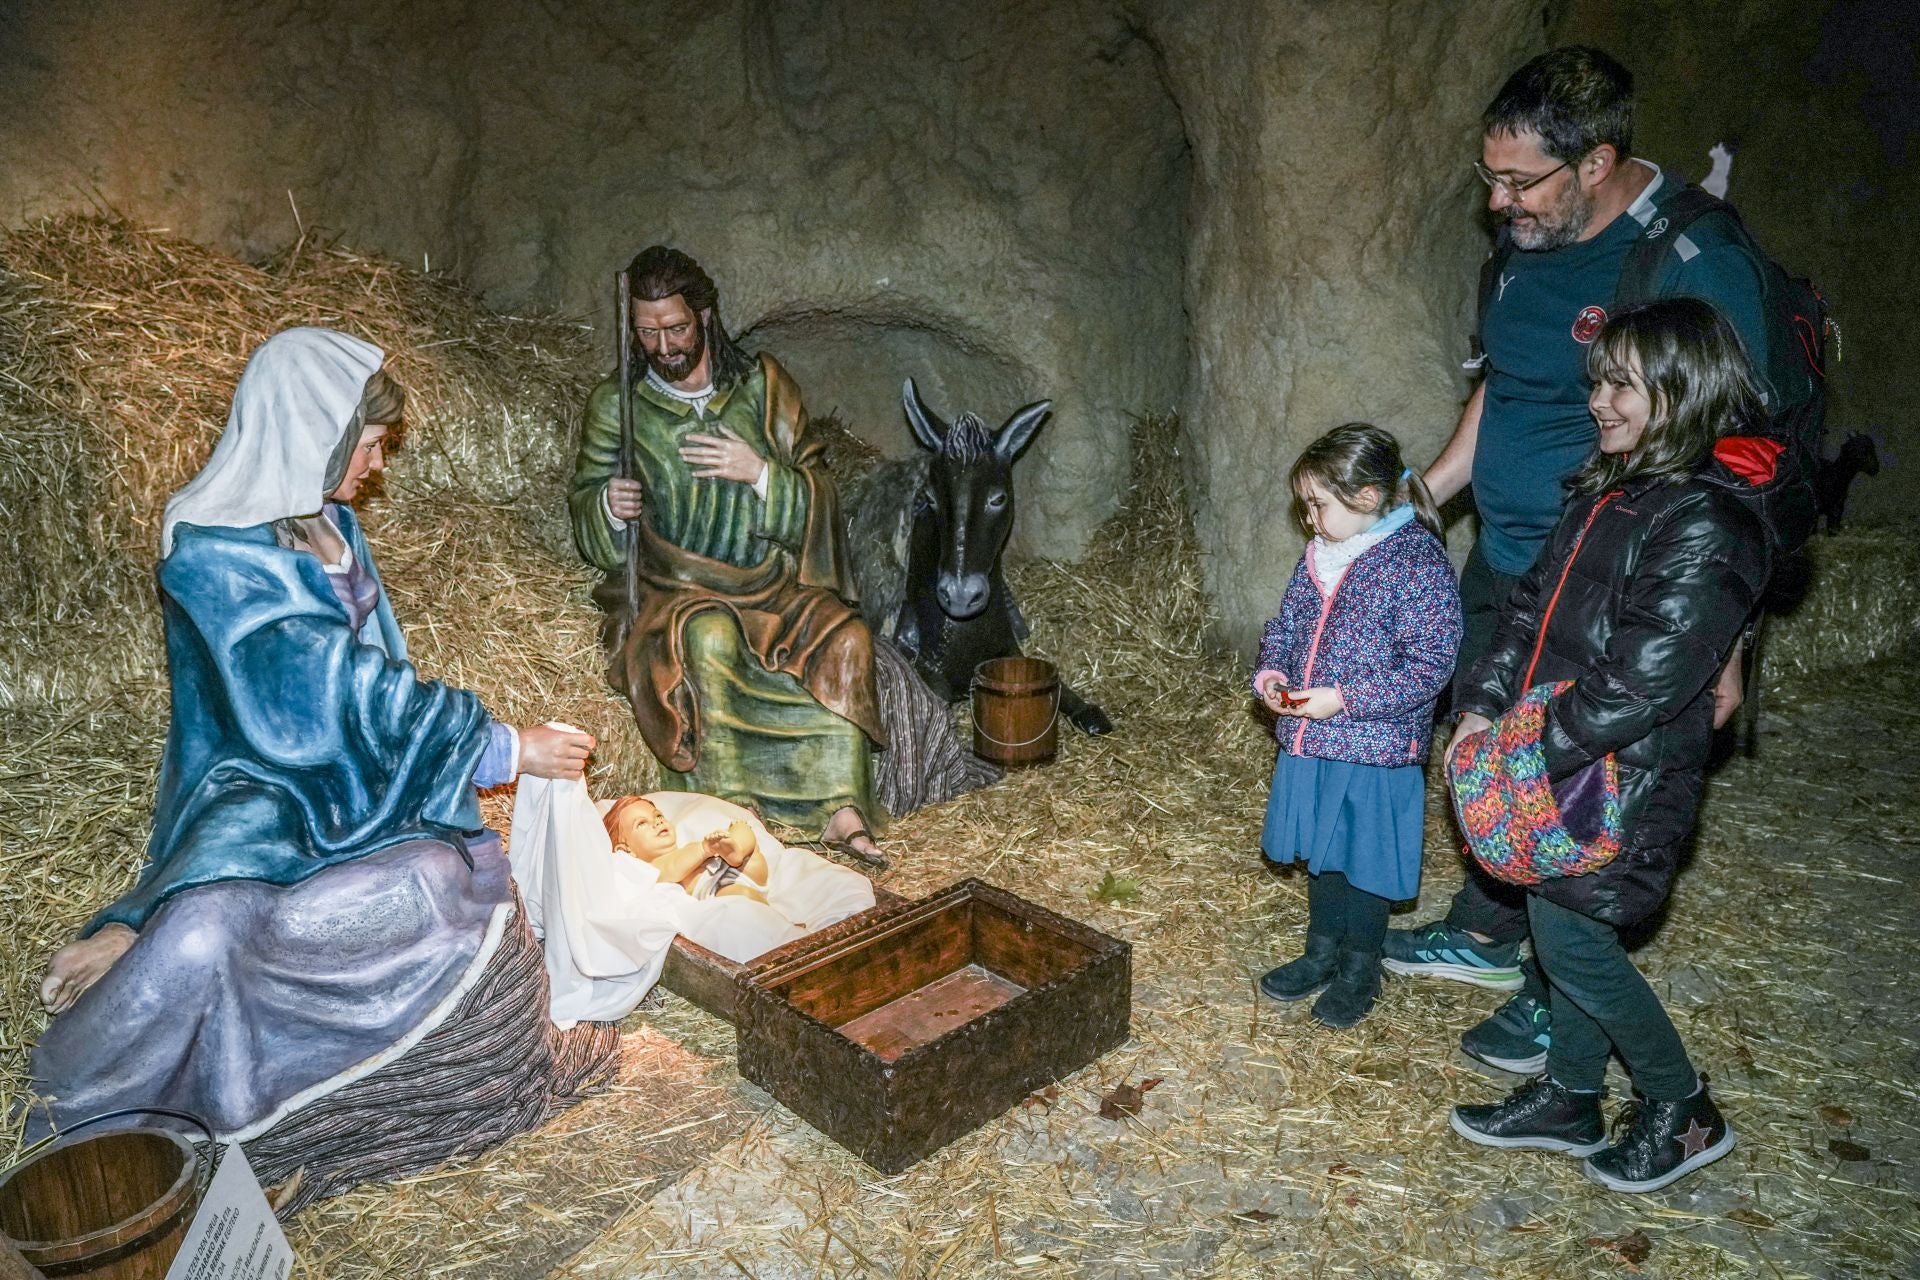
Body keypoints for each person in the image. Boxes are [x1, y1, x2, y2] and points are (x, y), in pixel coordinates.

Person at [31, 328, 610, 1208]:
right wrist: (499, 746)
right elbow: (333, 697)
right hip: (260, 804)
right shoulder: (216, 559)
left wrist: (438, 768)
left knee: (436, 883)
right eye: (368, 445)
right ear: (311, 435)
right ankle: (75, 1101)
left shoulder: (330, 525)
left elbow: (380, 678)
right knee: (206, 934)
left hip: (356, 797)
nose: (376, 467)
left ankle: (325, 1082)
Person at [1385, 46, 1798, 1072]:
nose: (1496, 199)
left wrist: (1727, 643)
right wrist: (1423, 497)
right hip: (1517, 561)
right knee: (1491, 736)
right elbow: (1510, 383)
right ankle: (1487, 928)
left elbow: (1747, 452)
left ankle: (1551, 982)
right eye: (1490, 175)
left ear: (1600, 161)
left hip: (1622, 591)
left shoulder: (1692, 262)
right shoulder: (1528, 241)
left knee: (1584, 780)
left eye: (1520, 179)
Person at [1445, 298, 1766, 1193]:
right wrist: (1481, 703)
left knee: (1576, 942)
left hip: (1623, 773)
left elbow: (1643, 684)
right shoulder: (1607, 491)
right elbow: (1525, 609)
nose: (1599, 402)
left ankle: (1681, 1104)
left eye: (1623, 384)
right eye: (1599, 382)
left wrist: (1525, 751)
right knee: (1557, 926)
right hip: (1564, 758)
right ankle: (1571, 1094)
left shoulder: (1707, 521)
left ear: (1684, 390)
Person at [569, 246, 886, 865]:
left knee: (848, 639)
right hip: (677, 588)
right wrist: (610, 503)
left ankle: (838, 808)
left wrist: (762, 474)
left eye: (677, 328)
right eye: (647, 331)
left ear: (706, 316)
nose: (663, 346)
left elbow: (819, 489)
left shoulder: (763, 388)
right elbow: (586, 513)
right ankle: (733, 817)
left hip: (770, 585)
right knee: (709, 641)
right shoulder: (620, 405)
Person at [1252, 425, 1462, 1028]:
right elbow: (1287, 624)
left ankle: (1360, 966)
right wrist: (1271, 673)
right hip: (1313, 740)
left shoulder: (1415, 562)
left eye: (1317, 504)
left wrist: (1345, 699)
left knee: (1362, 861)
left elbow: (1430, 664)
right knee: (1322, 851)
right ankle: (1321, 951)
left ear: (1367, 497)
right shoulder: (1320, 555)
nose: (1309, 518)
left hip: (1373, 747)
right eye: (1305, 506)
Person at [604, 795, 770, 904]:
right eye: (641, 823)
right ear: (625, 851)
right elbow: (674, 867)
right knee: (737, 900)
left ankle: (737, 849)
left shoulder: (688, 847)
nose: (657, 822)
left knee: (741, 827)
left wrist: (723, 846)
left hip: (733, 864)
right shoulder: (652, 869)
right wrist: (704, 849)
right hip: (719, 889)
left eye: (658, 815)